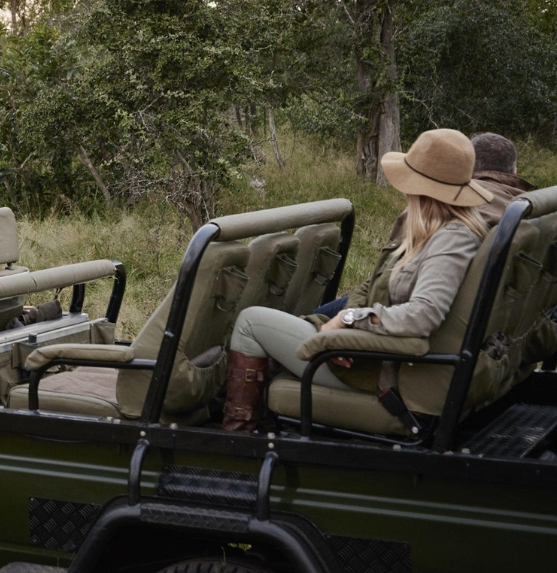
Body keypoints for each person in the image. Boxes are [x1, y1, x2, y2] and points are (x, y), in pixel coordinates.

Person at [222, 128, 490, 431]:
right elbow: (371, 284)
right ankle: (268, 424)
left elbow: (424, 315)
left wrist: (349, 321)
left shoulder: (452, 240)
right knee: (288, 325)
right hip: (371, 350)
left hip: (384, 369)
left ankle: (238, 437)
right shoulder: (428, 228)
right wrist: (343, 330)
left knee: (250, 322)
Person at [312, 131, 533, 320]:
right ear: (514, 172)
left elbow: (390, 286)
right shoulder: (531, 213)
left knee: (305, 323)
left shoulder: (443, 217)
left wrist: (349, 320)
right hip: (494, 330)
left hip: (392, 324)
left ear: (470, 172)